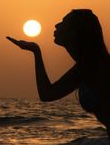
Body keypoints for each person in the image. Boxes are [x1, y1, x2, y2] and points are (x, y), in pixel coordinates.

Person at [6, 9, 110, 138]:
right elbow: (47, 94)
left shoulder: (98, 66)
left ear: (73, 33)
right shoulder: (83, 67)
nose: (56, 25)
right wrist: (36, 51)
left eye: (63, 22)